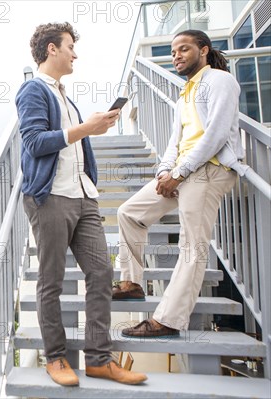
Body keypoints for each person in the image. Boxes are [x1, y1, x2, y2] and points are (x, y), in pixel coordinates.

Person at [16, 22, 148, 386]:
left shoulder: (67, 98)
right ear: (51, 50)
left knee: (102, 274)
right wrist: (86, 128)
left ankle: (99, 360)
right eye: (70, 46)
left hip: (83, 195)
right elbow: (36, 143)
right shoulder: (32, 90)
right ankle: (56, 358)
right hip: (51, 197)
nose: (76, 53)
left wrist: (93, 128)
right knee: (51, 280)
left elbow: (70, 140)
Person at [115, 30, 245, 338]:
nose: (177, 56)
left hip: (209, 171)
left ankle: (169, 320)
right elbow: (175, 142)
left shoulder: (220, 81)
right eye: (173, 52)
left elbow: (215, 135)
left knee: (192, 245)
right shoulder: (185, 93)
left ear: (203, 50)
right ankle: (132, 283)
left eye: (184, 49)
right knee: (129, 213)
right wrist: (164, 172)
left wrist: (181, 172)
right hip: (183, 173)